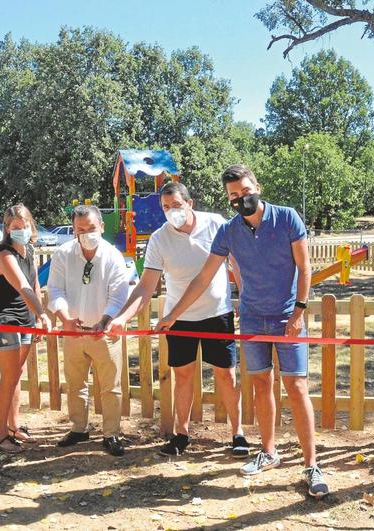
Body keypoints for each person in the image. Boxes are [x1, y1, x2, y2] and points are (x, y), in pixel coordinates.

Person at [156, 164, 329, 498]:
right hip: (251, 318)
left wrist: (299, 313)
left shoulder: (287, 217)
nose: (241, 199)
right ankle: (268, 451)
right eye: (234, 195)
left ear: (257, 186)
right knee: (262, 384)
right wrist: (173, 315)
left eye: (245, 192)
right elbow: (204, 277)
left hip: (287, 318)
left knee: (296, 386)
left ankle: (311, 465)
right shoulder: (229, 230)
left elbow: (305, 267)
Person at [107, 182, 249, 458]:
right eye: (165, 207)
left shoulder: (215, 224)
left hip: (217, 313)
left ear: (190, 203)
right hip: (178, 319)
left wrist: (242, 294)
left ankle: (238, 433)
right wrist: (123, 317)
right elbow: (146, 286)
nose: (171, 212)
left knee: (226, 374)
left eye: (176, 205)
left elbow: (236, 263)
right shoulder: (159, 239)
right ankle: (181, 435)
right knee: (182, 377)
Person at [47, 204, 129, 456]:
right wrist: (64, 317)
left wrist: (104, 321)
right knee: (75, 383)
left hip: (103, 333)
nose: (86, 233)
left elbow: (119, 295)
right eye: (80, 229)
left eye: (91, 228)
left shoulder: (113, 256)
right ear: (73, 230)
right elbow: (55, 289)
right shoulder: (62, 254)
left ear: (102, 227)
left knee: (110, 386)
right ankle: (79, 428)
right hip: (73, 331)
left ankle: (111, 433)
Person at [0, 204, 52, 454]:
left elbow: (35, 285)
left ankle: (13, 426)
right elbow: (22, 287)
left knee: (16, 376)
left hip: (24, 318)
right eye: (15, 228)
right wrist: (42, 315)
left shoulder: (29, 250)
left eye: (25, 226)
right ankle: (0, 436)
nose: (21, 231)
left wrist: (36, 319)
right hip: (2, 319)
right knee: (8, 378)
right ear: (7, 229)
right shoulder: (3, 255)